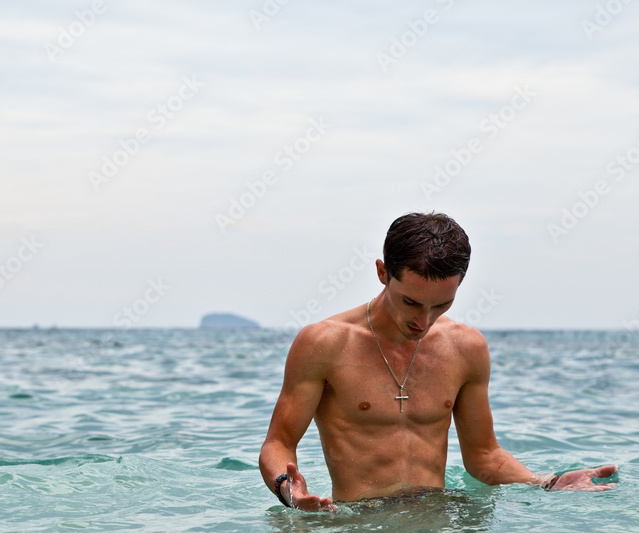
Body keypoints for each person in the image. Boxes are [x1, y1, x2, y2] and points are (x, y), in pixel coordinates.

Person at [258, 212, 618, 511]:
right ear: (383, 273)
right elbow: (278, 443)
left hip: (440, 520)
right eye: (412, 302)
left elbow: (484, 456)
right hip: (361, 525)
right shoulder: (324, 343)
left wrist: (548, 482)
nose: (424, 320)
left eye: (441, 305)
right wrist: (287, 489)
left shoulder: (466, 347)